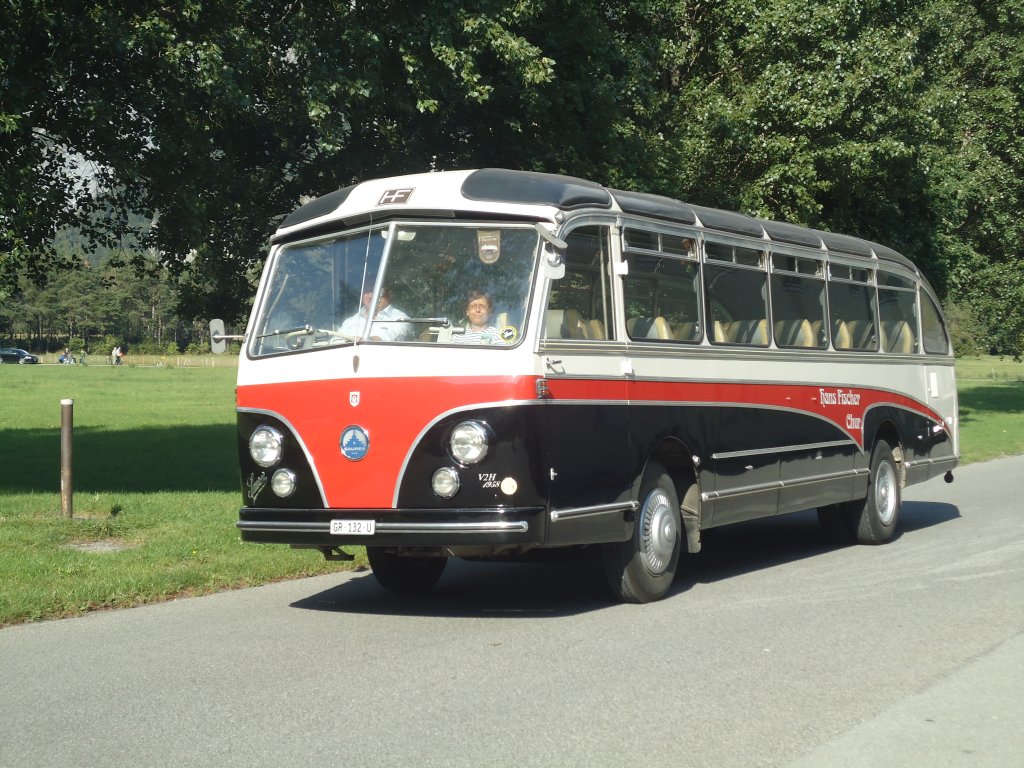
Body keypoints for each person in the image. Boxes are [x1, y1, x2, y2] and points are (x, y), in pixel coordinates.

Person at [339, 281, 413, 341]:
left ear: (389, 294)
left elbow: (395, 334)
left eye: (376, 291)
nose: (370, 296)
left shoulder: (400, 318)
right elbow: (335, 341)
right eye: (367, 291)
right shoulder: (350, 321)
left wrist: (370, 340)